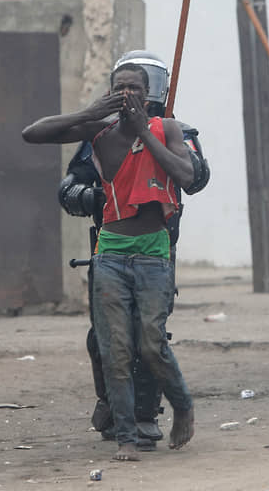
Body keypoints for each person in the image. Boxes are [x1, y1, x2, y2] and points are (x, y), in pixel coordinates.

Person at [23, 60, 197, 461]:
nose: (127, 95)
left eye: (134, 88)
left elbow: (187, 176)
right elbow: (32, 134)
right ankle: (126, 437)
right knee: (113, 349)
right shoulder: (98, 132)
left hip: (154, 252)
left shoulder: (168, 128)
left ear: (148, 91)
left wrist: (144, 133)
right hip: (111, 252)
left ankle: (182, 405)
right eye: (119, 88)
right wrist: (90, 112)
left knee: (152, 344)